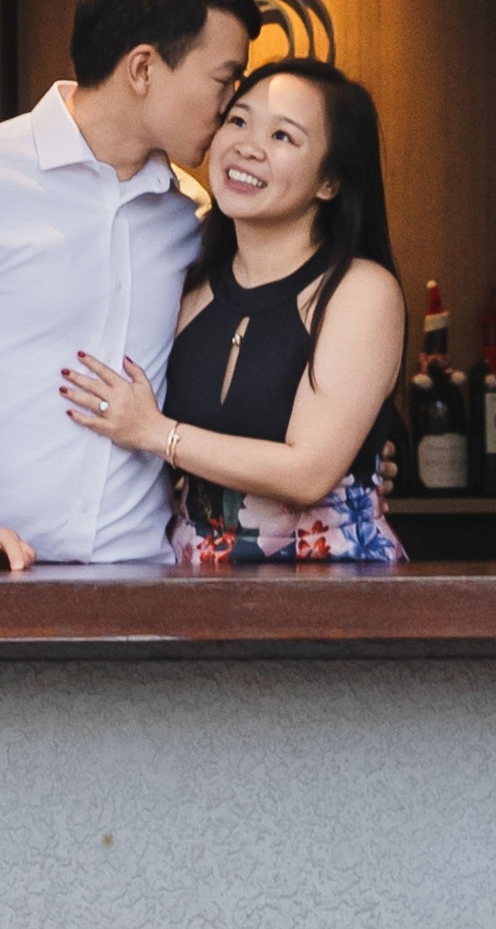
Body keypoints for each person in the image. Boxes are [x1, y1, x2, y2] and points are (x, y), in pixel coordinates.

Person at [0, 0, 259, 571]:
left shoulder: (195, 217)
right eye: (225, 79)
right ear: (143, 69)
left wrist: (340, 454)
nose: (233, 106)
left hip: (141, 576)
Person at [60, 61, 408, 566]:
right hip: (189, 575)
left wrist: (156, 433)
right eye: (238, 121)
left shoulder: (360, 290)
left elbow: (309, 472)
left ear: (329, 181)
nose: (248, 146)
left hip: (330, 580)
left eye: (283, 136)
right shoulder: (187, 279)